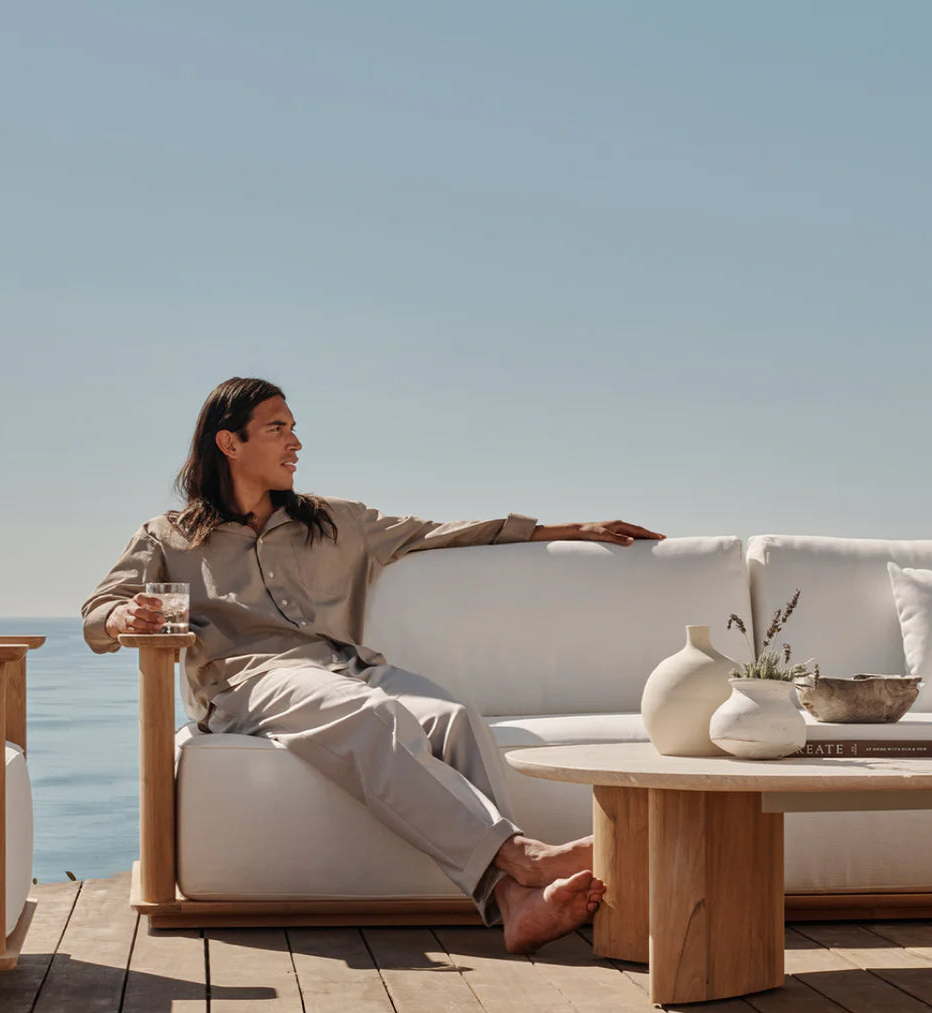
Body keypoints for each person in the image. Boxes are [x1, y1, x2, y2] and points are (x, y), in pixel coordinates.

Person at [81, 377, 665, 953]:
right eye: (277, 429)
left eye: (294, 429)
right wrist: (122, 619)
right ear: (229, 443)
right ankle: (520, 857)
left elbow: (441, 534)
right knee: (371, 712)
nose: (296, 444)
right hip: (248, 683)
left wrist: (567, 530)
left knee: (452, 717)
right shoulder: (169, 536)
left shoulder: (334, 522)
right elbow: (99, 609)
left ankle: (514, 904)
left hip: (346, 666)